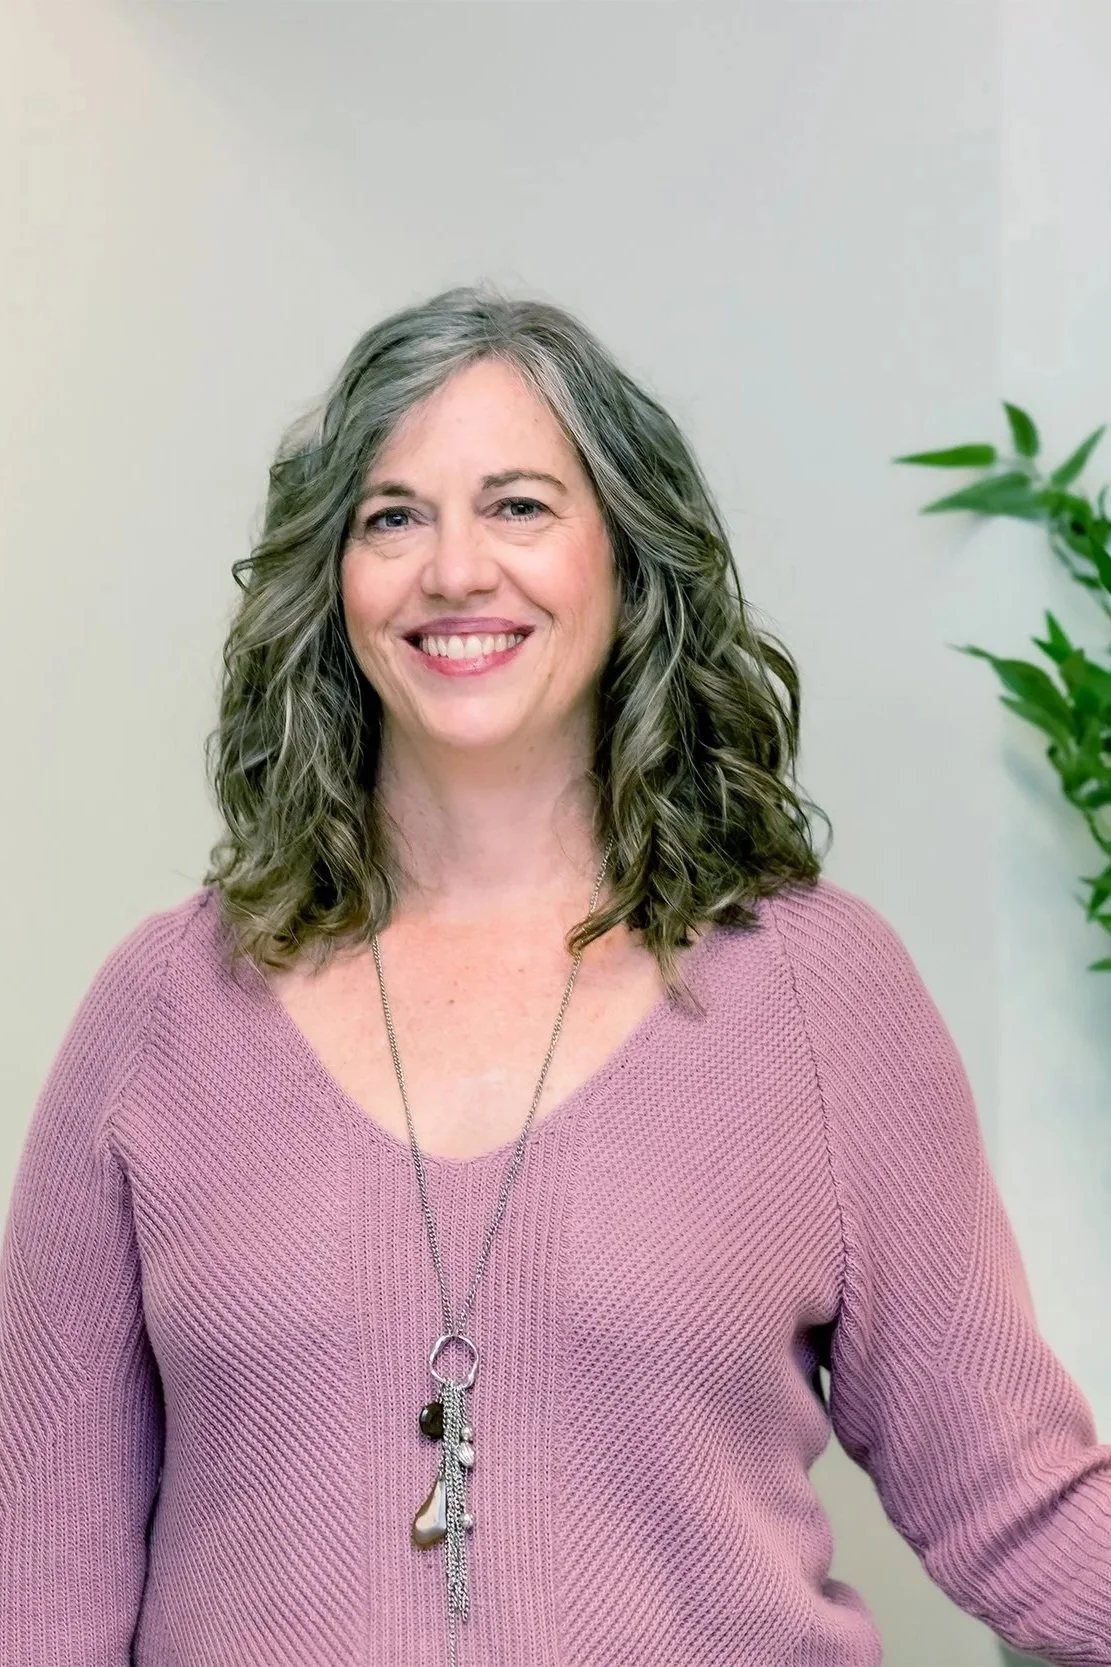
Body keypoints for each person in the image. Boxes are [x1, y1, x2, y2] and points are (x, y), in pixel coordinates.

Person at [1, 284, 1108, 1667]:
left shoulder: (821, 990)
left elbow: (1019, 1502)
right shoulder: (159, 1011)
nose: (455, 568)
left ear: (629, 560)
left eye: (518, 505)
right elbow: (36, 1594)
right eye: (391, 515)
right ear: (330, 582)